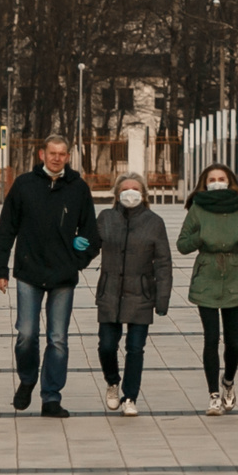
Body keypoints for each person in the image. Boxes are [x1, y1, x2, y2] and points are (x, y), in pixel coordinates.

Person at [0, 135, 100, 418]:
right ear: (42, 154)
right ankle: (28, 379)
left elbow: (92, 234)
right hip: (29, 272)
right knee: (26, 334)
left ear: (68, 156)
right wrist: (0, 270)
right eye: (52, 153)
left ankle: (51, 397)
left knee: (58, 339)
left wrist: (77, 261)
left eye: (62, 154)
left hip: (63, 276)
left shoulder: (77, 188)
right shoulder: (25, 185)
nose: (57, 158)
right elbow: (6, 229)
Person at [177, 161, 238, 416]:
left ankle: (228, 382)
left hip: (233, 278)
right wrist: (201, 237)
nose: (216, 182)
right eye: (211, 178)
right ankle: (213, 394)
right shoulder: (198, 208)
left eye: (220, 178)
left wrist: (237, 236)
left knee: (233, 343)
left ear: (230, 181)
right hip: (207, 277)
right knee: (211, 339)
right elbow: (182, 244)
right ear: (204, 183)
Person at [93, 171, 171, 415]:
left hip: (141, 293)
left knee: (135, 348)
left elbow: (163, 262)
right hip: (110, 291)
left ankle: (130, 396)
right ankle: (112, 381)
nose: (130, 193)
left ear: (143, 194)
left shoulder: (154, 222)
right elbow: (89, 245)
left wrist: (162, 298)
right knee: (106, 346)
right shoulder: (105, 218)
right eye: (125, 189)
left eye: (135, 189)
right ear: (116, 194)